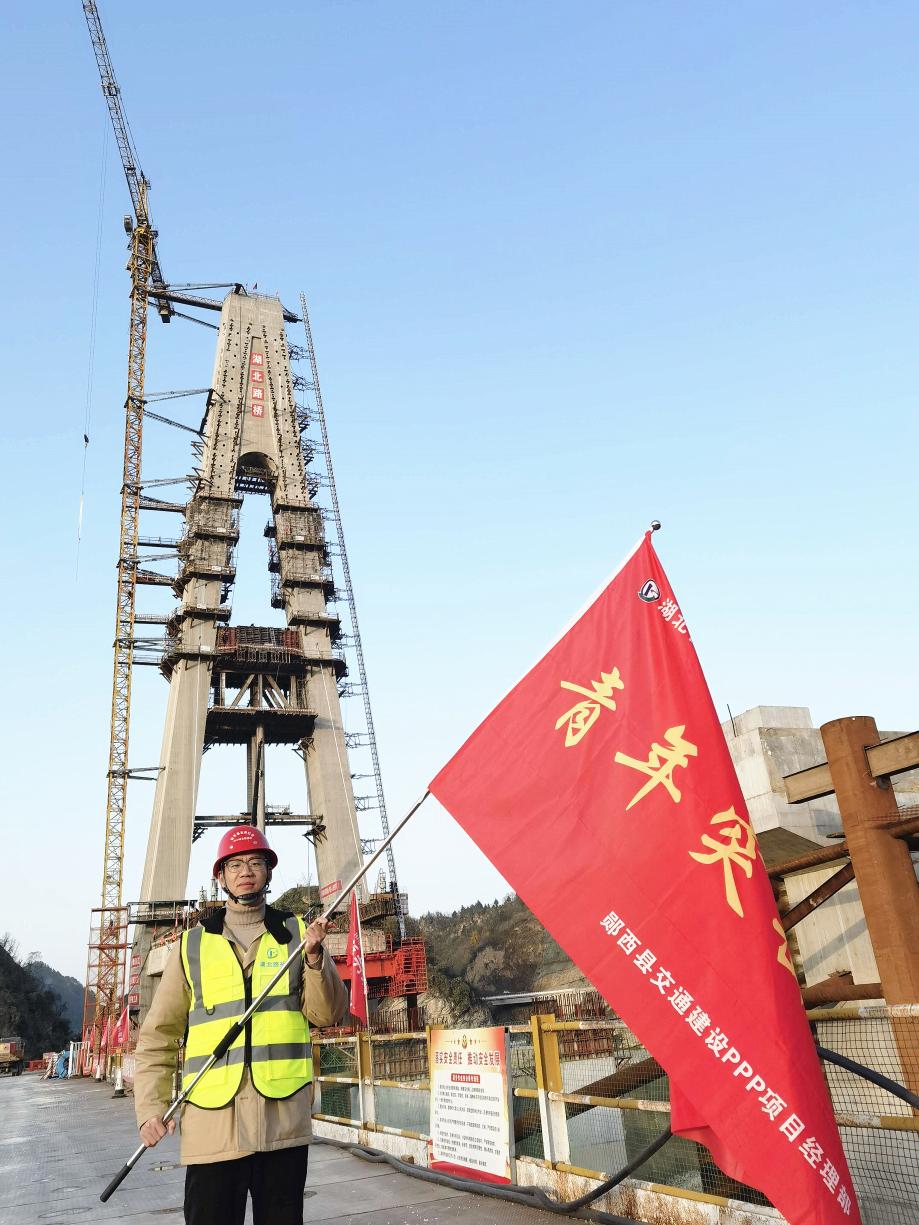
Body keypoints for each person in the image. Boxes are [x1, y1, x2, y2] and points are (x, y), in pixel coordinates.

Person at [133, 825, 348, 1225]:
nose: (245, 871)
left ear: (268, 872)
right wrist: (150, 1109)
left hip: (281, 1121)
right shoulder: (192, 946)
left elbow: (328, 1014)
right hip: (213, 1125)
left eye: (255, 862)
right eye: (234, 865)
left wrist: (316, 959)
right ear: (220, 876)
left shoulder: (298, 936)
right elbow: (157, 1037)